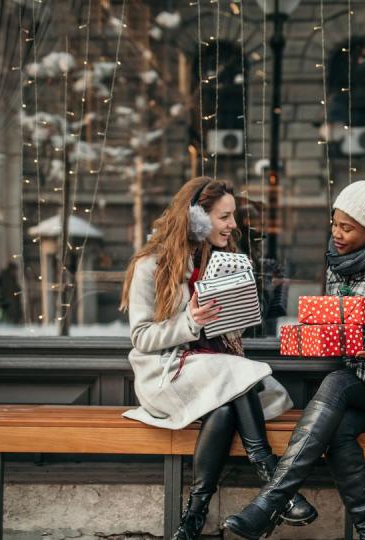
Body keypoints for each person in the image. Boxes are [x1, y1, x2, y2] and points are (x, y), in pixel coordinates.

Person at [223, 168, 365, 540]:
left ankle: (270, 502)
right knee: (338, 433)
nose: (337, 234)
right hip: (360, 378)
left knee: (335, 383)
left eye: (347, 228)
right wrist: (317, 332)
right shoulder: (338, 265)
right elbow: (336, 319)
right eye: (335, 224)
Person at [119, 177, 317, 539]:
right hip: (169, 375)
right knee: (234, 376)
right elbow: (141, 337)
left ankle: (193, 516)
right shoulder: (151, 266)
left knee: (226, 404)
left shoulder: (222, 263)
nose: (233, 225)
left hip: (216, 375)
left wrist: (238, 313)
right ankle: (276, 485)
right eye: (224, 217)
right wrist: (189, 321)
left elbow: (227, 330)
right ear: (197, 217)